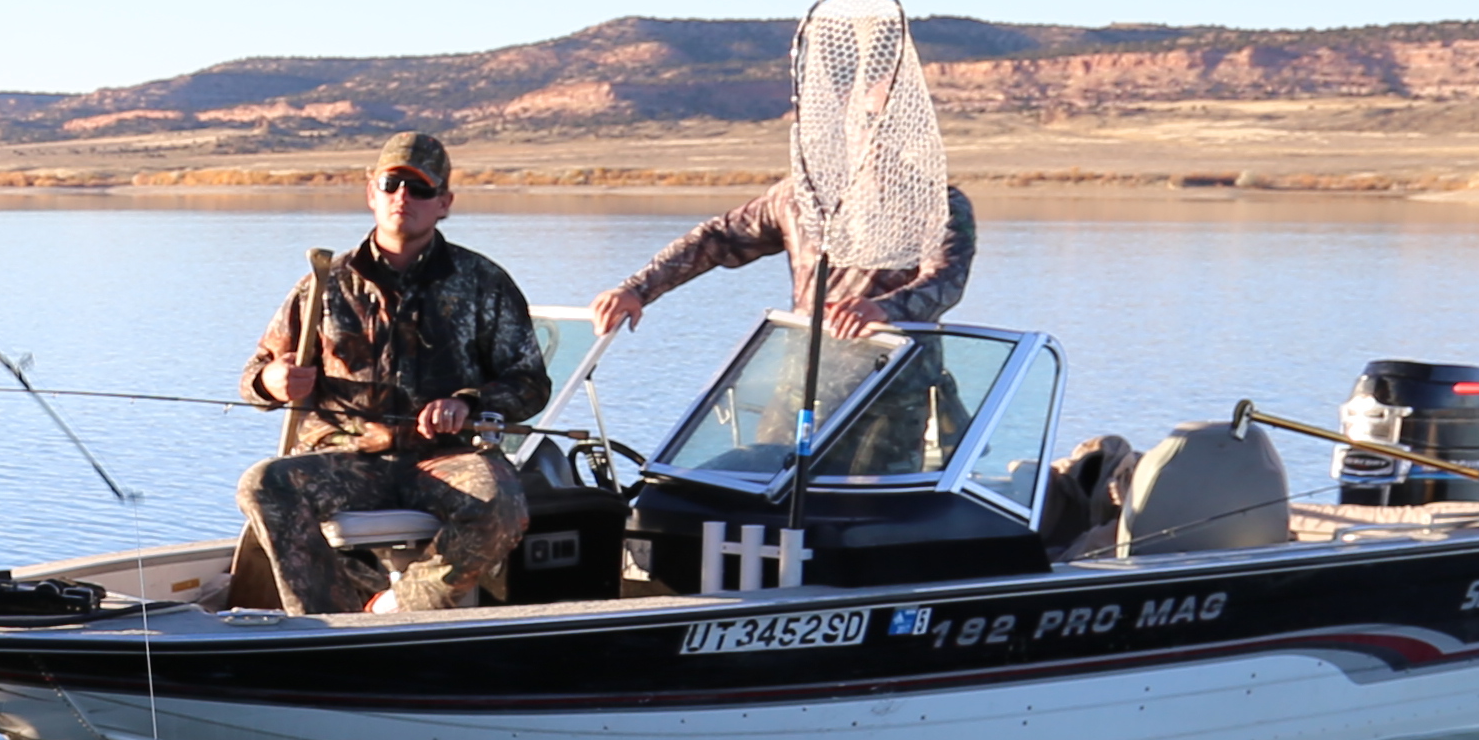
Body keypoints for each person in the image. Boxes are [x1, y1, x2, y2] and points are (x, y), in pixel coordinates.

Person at [230, 133, 549, 614]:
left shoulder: (485, 282)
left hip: (443, 459)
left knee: (502, 503)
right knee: (262, 484)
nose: (404, 197)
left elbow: (529, 382)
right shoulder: (324, 283)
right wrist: (272, 382)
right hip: (346, 457)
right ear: (371, 193)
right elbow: (254, 375)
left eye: (420, 189)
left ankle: (393, 606)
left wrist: (469, 404)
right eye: (392, 183)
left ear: (444, 203)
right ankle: (325, 625)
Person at [585, 173, 981, 350]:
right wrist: (635, 290)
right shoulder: (798, 195)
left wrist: (883, 308)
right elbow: (715, 239)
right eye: (865, 122)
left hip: (894, 376)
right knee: (765, 475)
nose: (875, 134)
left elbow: (946, 281)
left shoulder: (939, 204)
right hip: (802, 372)